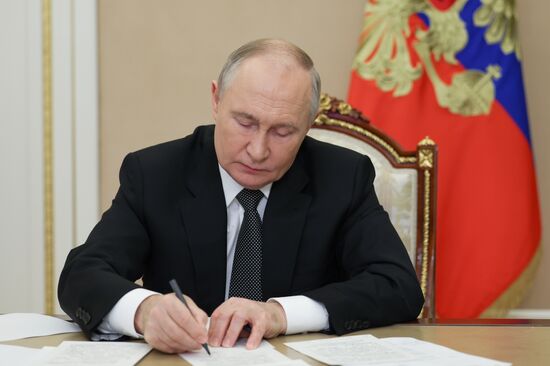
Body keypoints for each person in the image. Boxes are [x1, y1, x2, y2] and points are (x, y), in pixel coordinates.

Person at [58, 39, 423, 354]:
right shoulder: (156, 173)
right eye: (245, 123)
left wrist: (281, 313)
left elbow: (398, 286)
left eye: (283, 131)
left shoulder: (342, 176)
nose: (258, 150)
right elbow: (82, 274)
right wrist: (145, 310)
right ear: (216, 100)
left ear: (308, 126)